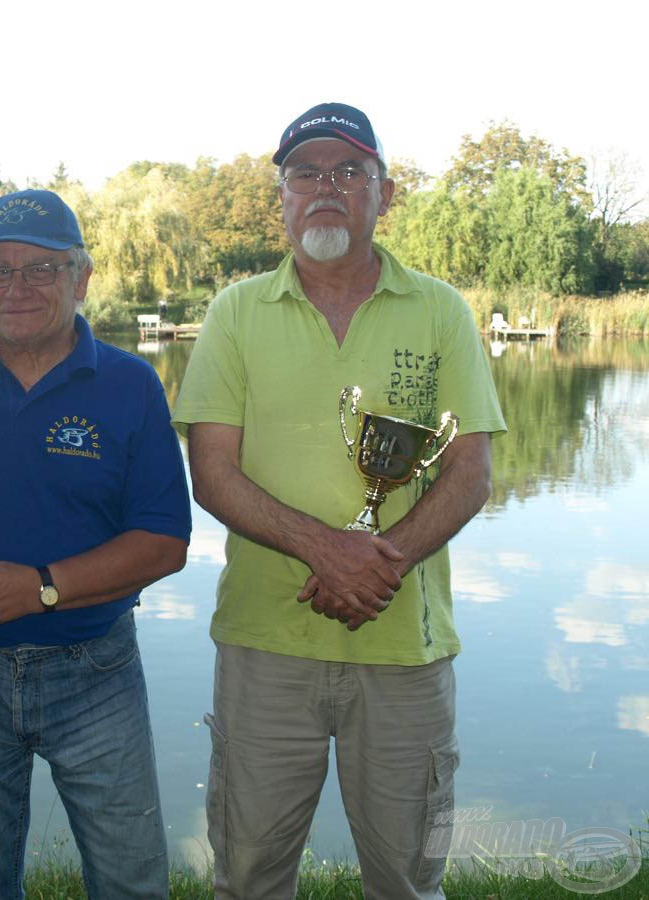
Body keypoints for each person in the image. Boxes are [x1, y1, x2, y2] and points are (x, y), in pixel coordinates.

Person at [172, 103, 507, 899]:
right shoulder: (235, 311)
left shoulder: (441, 310)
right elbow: (212, 473)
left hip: (404, 647)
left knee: (406, 882)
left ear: (383, 194)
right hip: (265, 643)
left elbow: (471, 472)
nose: (326, 188)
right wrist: (329, 550)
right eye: (305, 174)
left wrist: (376, 565)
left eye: (349, 172)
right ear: (282, 196)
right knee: (248, 876)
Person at [0, 189, 191, 898]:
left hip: (95, 670)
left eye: (40, 270)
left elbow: (165, 540)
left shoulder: (131, 384)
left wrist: (43, 585)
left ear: (80, 278)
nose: (15, 289)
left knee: (131, 881)